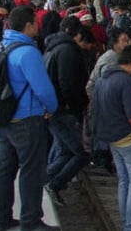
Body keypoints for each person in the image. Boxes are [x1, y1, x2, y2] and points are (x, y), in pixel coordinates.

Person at [0, 5, 60, 231]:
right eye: (35, 22)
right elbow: (43, 89)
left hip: (4, 119)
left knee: (5, 169)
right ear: (29, 25)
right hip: (26, 120)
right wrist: (51, 107)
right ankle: (30, 222)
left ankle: (1, 219)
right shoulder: (28, 52)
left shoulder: (2, 45)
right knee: (31, 171)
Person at [94, 44, 131, 231]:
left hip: (111, 139)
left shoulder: (102, 79)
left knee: (125, 181)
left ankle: (127, 224)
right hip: (128, 139)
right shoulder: (127, 82)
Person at [43, 16, 91, 204]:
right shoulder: (68, 51)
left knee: (64, 151)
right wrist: (76, 106)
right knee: (81, 153)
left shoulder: (52, 47)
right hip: (64, 111)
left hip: (54, 108)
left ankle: (44, 179)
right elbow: (68, 84)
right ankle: (54, 184)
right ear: (77, 34)